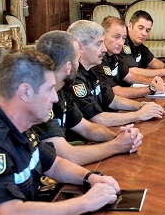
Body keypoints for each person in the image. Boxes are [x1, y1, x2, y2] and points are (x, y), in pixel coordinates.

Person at [0, 50, 121, 215]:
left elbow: (53, 163)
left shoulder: (22, 123)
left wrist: (91, 177)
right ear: (25, 92)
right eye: (50, 89)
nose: (55, 97)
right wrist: (86, 202)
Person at [33, 30, 143, 165]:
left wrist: (118, 137)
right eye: (77, 58)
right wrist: (117, 145)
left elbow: (87, 128)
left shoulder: (60, 90)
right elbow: (67, 155)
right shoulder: (39, 101)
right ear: (68, 67)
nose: (78, 64)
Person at [65, 20, 165, 127]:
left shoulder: (91, 69)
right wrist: (138, 115)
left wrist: (141, 105)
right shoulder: (74, 78)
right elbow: (98, 119)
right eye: (99, 44)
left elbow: (112, 99)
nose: (104, 49)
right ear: (80, 47)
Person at [94, 15, 165, 99]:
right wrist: (152, 89)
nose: (121, 43)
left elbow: (130, 76)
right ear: (103, 36)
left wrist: (152, 82)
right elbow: (116, 92)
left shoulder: (113, 55)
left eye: (123, 38)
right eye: (116, 37)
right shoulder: (97, 60)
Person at [119, 10, 165, 78]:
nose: (144, 33)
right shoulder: (121, 42)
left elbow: (152, 61)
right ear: (130, 26)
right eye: (140, 28)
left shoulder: (138, 43)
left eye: (147, 30)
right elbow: (132, 71)